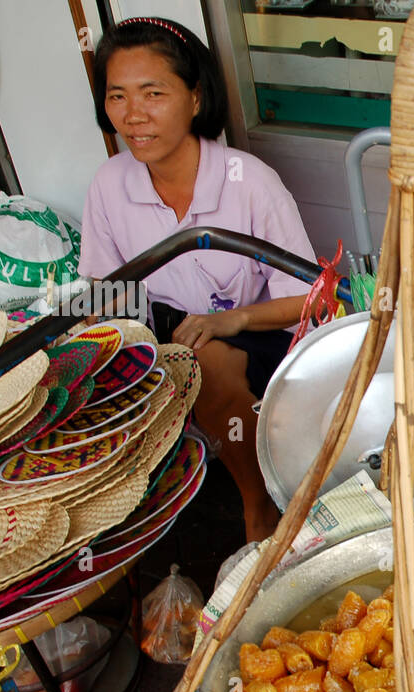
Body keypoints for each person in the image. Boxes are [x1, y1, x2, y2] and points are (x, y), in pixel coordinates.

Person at [78, 16, 317, 543]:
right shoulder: (110, 182)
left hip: (258, 331)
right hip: (164, 331)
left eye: (153, 93)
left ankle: (260, 510)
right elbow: (101, 286)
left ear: (194, 97)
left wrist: (231, 319)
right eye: (117, 96)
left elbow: (307, 300)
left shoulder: (247, 180)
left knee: (202, 360)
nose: (133, 116)